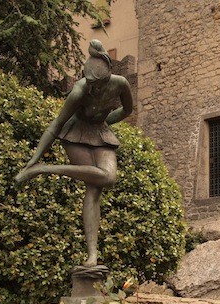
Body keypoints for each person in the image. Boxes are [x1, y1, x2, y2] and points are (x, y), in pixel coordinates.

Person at [15, 40, 133, 267]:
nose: (92, 89)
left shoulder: (121, 84)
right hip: (75, 133)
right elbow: (56, 125)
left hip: (101, 133)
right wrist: (34, 158)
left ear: (107, 78)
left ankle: (46, 170)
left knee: (108, 177)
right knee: (94, 187)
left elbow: (127, 110)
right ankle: (92, 254)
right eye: (89, 84)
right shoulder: (79, 91)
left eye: (96, 86)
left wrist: (106, 122)